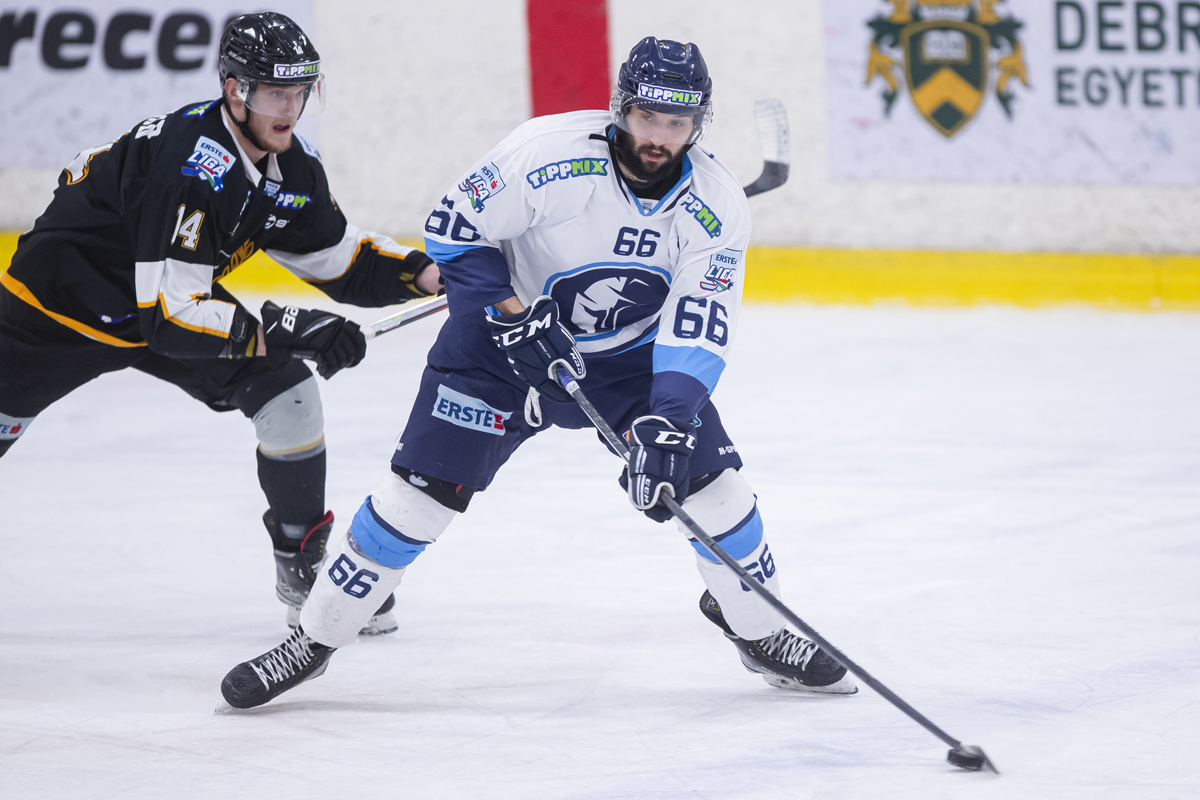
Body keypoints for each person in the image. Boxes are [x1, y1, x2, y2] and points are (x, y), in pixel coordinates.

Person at [221, 36, 857, 708]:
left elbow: (698, 323)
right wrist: (512, 313)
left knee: (717, 494)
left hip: (628, 365)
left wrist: (669, 419)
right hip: (494, 352)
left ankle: (760, 631)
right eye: (647, 117)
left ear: (698, 124)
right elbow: (453, 228)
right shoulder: (546, 155)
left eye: (677, 123)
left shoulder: (716, 203)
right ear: (620, 108)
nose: (659, 138)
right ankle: (314, 640)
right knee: (415, 501)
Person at [0, 12, 441, 635]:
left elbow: (340, 261)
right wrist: (284, 329)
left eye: (300, 91)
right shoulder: (192, 163)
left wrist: (433, 274)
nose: (290, 108)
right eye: (275, 92)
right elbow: (170, 317)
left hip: (166, 299)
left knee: (287, 393)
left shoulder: (290, 166)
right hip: (56, 310)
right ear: (235, 91)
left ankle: (303, 571)